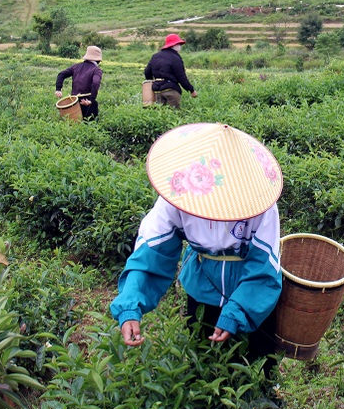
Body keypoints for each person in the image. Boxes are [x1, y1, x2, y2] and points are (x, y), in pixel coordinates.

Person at [109, 122, 283, 368]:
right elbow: (152, 252)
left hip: (252, 296)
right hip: (202, 286)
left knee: (256, 362)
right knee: (203, 359)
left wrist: (238, 311)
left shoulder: (261, 201)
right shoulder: (178, 194)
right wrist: (130, 305)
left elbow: (264, 266)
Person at [144, 34, 197, 108]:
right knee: (174, 113)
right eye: (179, 44)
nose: (180, 47)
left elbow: (147, 72)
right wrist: (191, 90)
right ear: (174, 45)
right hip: (171, 91)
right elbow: (181, 77)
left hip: (157, 91)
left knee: (161, 114)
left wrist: (153, 83)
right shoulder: (176, 58)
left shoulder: (155, 56)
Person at [56, 45, 103, 120]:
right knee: (90, 123)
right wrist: (91, 99)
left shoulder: (76, 66)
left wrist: (58, 89)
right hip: (86, 101)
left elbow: (61, 74)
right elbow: (96, 83)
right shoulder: (96, 70)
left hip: (73, 102)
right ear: (98, 60)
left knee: (73, 123)